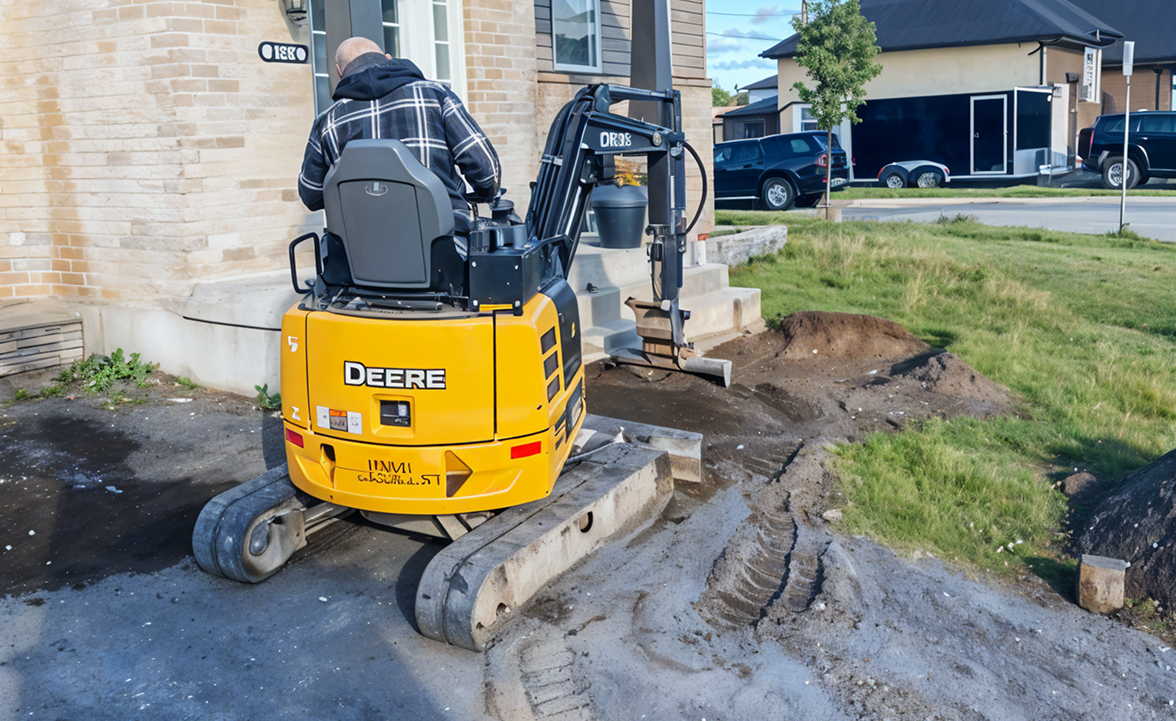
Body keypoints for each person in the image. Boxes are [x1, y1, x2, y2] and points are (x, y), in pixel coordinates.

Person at [298, 37, 500, 241]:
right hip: (443, 245)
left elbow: (311, 196)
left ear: (339, 72)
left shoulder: (327, 122)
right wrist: (486, 192)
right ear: (387, 59)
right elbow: (486, 173)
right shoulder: (436, 96)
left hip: (361, 253)